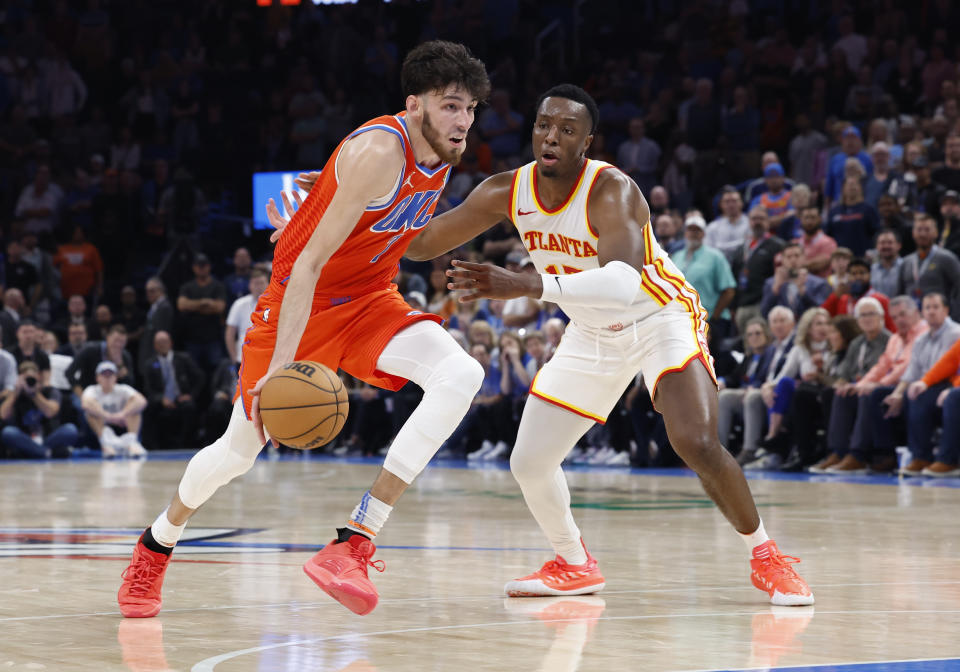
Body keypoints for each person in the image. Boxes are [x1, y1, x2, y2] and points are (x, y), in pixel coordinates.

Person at [117, 40, 492, 619]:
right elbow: (307, 266)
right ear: (415, 104)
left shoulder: (442, 155)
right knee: (238, 452)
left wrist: (314, 197)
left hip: (369, 300)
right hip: (300, 301)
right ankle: (156, 543)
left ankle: (355, 541)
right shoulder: (379, 151)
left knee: (461, 373)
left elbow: (393, 232)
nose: (463, 121)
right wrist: (287, 367)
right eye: (450, 106)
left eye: (470, 108)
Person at [401, 84, 812, 605]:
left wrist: (528, 283)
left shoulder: (610, 189)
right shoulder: (506, 190)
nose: (551, 136)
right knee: (529, 462)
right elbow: (419, 242)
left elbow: (622, 284)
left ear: (586, 143)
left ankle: (767, 556)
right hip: (592, 331)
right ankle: (574, 562)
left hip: (658, 316)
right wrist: (352, 204)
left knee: (696, 440)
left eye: (566, 130)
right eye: (544, 125)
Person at [142, 331, 205, 449]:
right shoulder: (149, 364)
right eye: (159, 342)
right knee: (148, 409)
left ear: (170, 343)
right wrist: (161, 399)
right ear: (155, 346)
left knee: (189, 407)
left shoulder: (183, 358)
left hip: (182, 398)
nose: (162, 345)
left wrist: (190, 395)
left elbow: (200, 378)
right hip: (162, 400)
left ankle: (186, 444)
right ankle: (153, 447)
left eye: (165, 341)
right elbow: (148, 389)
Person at [81, 360, 147, 458]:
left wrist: (122, 414)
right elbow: (85, 404)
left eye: (110, 375)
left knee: (135, 410)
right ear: (97, 378)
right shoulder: (92, 389)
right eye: (104, 375)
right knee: (90, 413)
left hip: (122, 423)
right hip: (101, 426)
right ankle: (106, 445)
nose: (107, 378)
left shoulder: (123, 388)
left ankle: (132, 442)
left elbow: (142, 401)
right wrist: (107, 416)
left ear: (115, 377)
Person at [224, 268, 269, 364]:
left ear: (268, 285)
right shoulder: (239, 304)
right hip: (244, 357)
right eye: (256, 284)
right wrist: (233, 357)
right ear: (250, 286)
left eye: (261, 283)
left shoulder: (276, 304)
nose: (259, 287)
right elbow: (230, 333)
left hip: (269, 357)